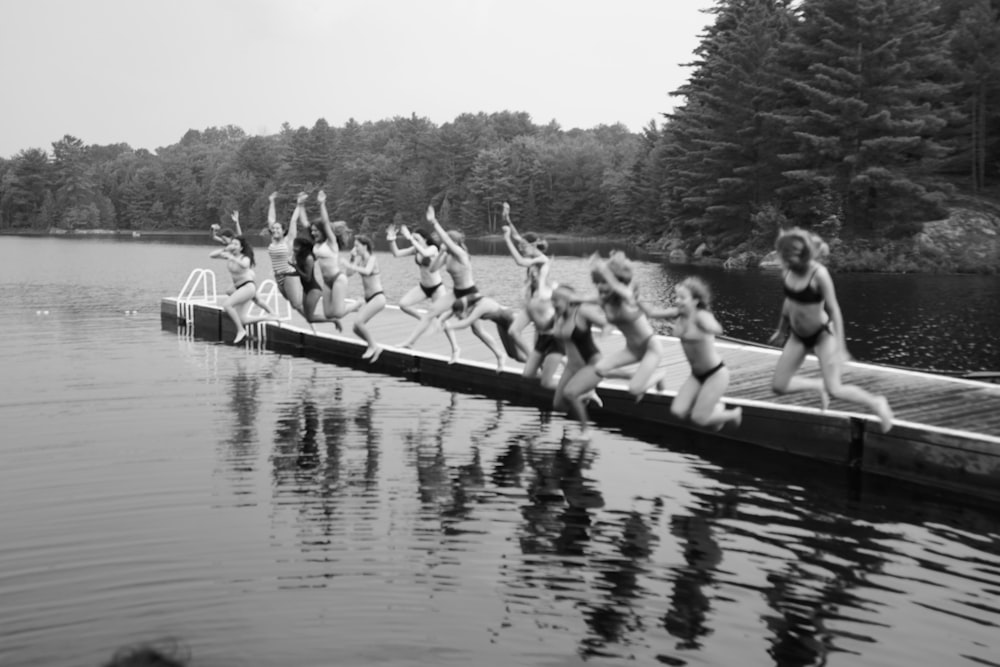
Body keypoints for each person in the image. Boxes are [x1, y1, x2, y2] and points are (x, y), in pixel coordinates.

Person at [768, 227, 893, 432]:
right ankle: (817, 386)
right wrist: (782, 329)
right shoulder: (788, 270)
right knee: (779, 386)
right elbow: (789, 300)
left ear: (801, 256)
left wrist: (840, 347)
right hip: (798, 337)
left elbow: (835, 310)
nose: (784, 263)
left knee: (835, 389)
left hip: (822, 336)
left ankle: (877, 403)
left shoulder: (819, 274)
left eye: (787, 259)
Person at [560, 251, 663, 437]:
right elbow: (582, 299)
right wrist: (568, 297)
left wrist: (604, 269)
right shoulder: (603, 300)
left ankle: (658, 376)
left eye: (605, 283)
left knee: (634, 390)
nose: (601, 287)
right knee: (600, 369)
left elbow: (619, 287)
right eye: (597, 283)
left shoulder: (627, 298)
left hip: (650, 347)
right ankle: (598, 391)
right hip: (631, 350)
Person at [643, 277, 742, 430]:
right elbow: (651, 313)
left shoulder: (701, 315)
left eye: (682, 297)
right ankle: (714, 406)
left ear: (695, 301)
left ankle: (734, 414)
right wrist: (633, 297)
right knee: (677, 411)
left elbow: (717, 329)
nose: (677, 300)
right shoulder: (678, 313)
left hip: (715, 374)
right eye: (676, 296)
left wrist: (708, 326)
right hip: (696, 375)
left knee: (699, 419)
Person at [426, 203, 507, 371]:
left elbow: (447, 240)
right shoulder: (447, 255)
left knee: (477, 331)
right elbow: (432, 269)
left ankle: (500, 354)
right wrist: (441, 252)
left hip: (470, 294)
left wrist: (434, 222)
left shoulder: (462, 255)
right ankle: (455, 349)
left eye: (446, 242)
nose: (443, 243)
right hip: (456, 294)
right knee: (436, 312)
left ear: (453, 243)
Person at [387, 222, 458, 353]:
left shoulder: (433, 249)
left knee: (442, 319)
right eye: (414, 238)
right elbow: (397, 254)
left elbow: (425, 253)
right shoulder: (416, 248)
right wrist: (392, 239)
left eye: (417, 238)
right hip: (423, 287)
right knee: (403, 304)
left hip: (437, 288)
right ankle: (425, 321)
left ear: (425, 238)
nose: (414, 241)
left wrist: (410, 238)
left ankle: (455, 348)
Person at [550, 284, 608, 439]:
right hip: (571, 366)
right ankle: (586, 394)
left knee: (569, 393)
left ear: (568, 300)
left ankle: (586, 431)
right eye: (552, 300)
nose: (553, 304)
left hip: (592, 364)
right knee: (558, 406)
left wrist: (603, 335)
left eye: (556, 300)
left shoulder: (582, 312)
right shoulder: (558, 315)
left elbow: (607, 324)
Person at [500, 201, 550, 359]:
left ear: (532, 245)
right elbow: (516, 236)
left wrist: (507, 240)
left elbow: (520, 262)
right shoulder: (533, 253)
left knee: (542, 344)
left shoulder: (542, 259)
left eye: (523, 246)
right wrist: (507, 218)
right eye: (520, 246)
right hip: (532, 305)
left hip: (542, 305)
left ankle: (562, 367)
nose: (521, 248)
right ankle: (533, 362)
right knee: (514, 331)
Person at [209, 233, 279, 344]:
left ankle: (241, 331)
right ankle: (269, 317)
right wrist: (225, 249)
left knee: (227, 305)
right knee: (243, 319)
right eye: (232, 243)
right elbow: (211, 255)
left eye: (236, 244)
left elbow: (245, 265)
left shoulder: (243, 257)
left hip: (248, 286)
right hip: (239, 287)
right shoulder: (228, 254)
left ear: (241, 248)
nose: (233, 245)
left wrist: (232, 257)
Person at [299, 190, 351, 323]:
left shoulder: (331, 243)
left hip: (338, 278)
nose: (313, 232)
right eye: (313, 231)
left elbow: (326, 222)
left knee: (338, 313)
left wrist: (322, 204)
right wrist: (300, 205)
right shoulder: (316, 244)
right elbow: (305, 223)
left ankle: (356, 305)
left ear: (323, 231)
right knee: (328, 315)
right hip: (327, 281)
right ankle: (347, 310)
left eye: (316, 230)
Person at [342, 234, 386, 361]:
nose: (355, 249)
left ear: (365, 246)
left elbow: (367, 271)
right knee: (356, 328)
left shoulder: (372, 258)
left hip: (378, 297)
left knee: (358, 322)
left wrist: (349, 264)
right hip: (369, 299)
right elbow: (348, 274)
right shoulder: (359, 260)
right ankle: (374, 346)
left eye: (357, 246)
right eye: (354, 246)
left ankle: (373, 346)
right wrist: (351, 257)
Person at [262, 190, 304, 315]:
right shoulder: (273, 241)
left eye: (278, 228)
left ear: (283, 230)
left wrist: (299, 205)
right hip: (278, 277)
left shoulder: (288, 240)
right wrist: (272, 201)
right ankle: (312, 322)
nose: (275, 230)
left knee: (297, 304)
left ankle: (314, 321)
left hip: (289, 275)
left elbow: (293, 221)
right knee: (294, 305)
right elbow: (271, 219)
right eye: (273, 228)